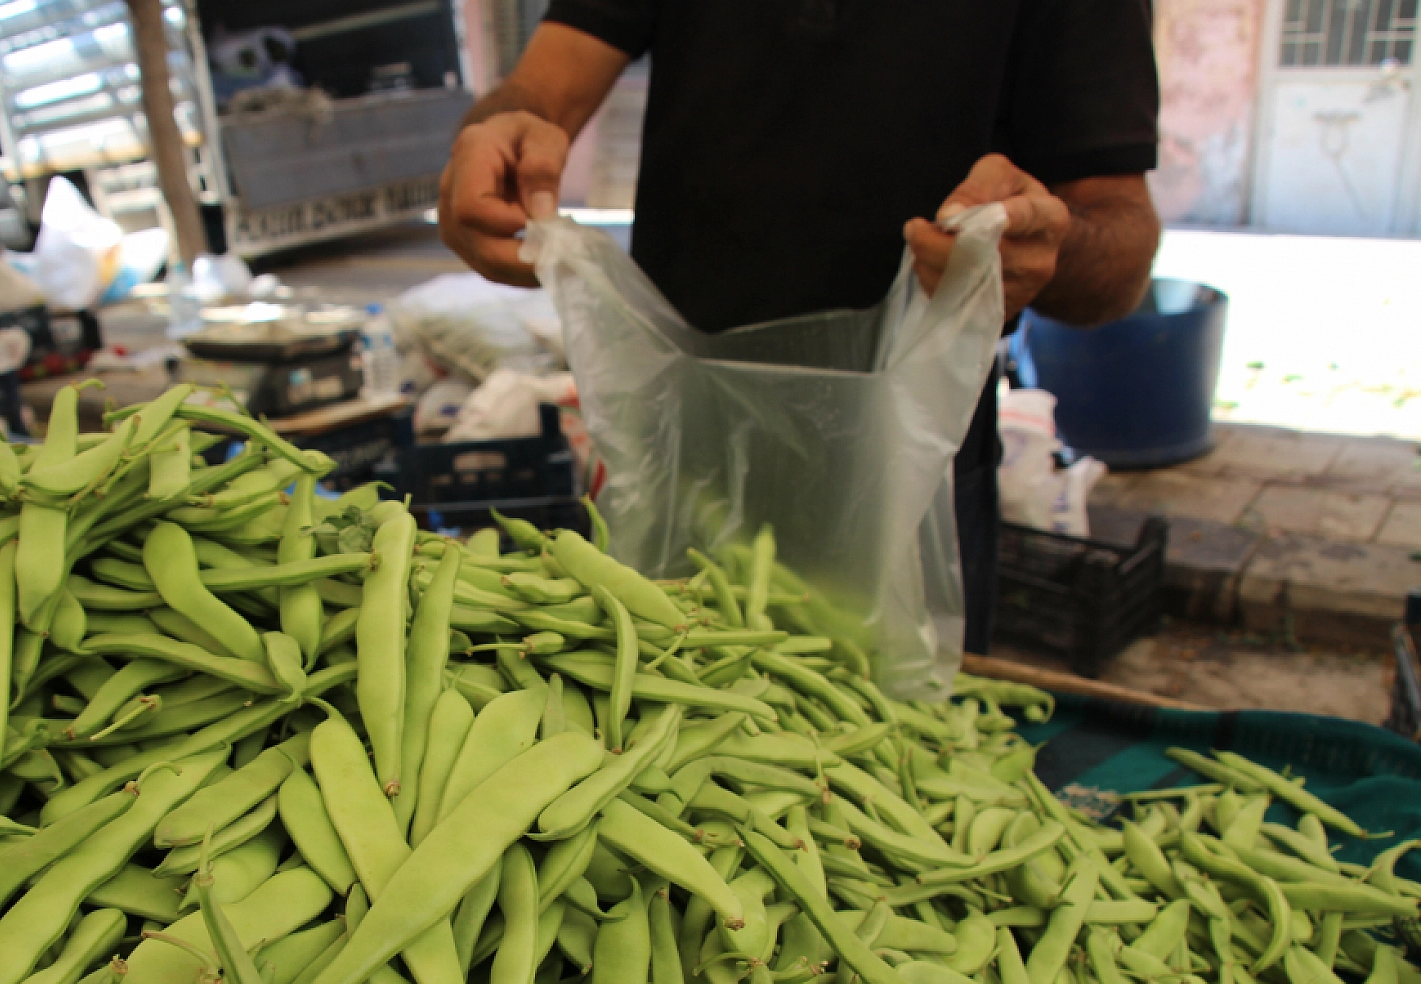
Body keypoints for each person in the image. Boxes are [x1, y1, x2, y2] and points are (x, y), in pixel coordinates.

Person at [438, 2, 1161, 653]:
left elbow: (1122, 249)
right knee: (661, 722)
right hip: (680, 456)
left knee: (890, 756)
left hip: (907, 476)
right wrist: (495, 133)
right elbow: (546, 84)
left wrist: (1046, 249)